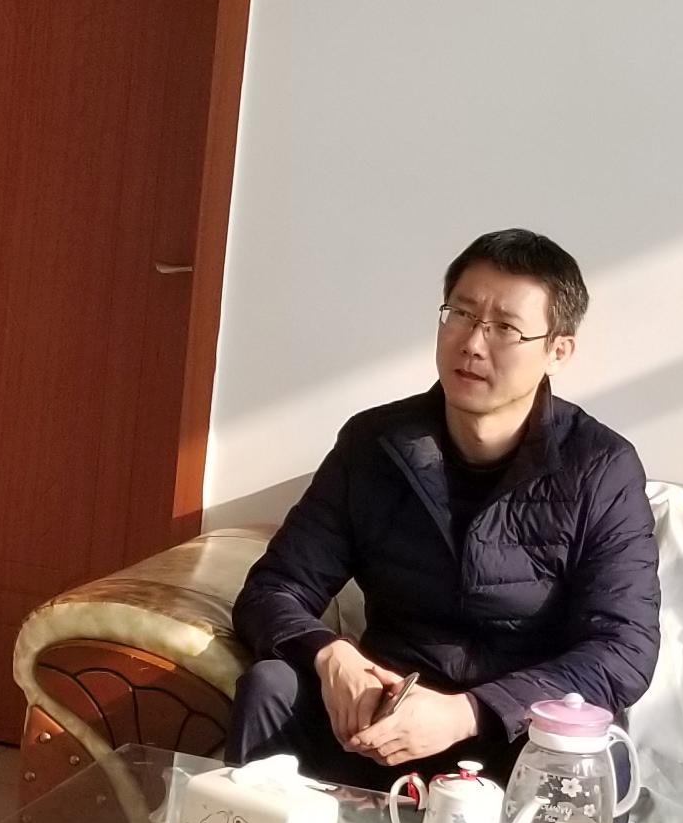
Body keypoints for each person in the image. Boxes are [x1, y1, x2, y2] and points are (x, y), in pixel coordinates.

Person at [230, 228, 660, 791]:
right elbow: (273, 590)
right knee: (271, 685)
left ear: (558, 350)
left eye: (505, 328)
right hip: (382, 718)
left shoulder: (601, 468)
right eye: (461, 313)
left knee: (591, 748)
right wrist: (330, 654)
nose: (473, 343)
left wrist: (466, 713)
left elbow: (624, 650)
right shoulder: (374, 444)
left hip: (517, 737)